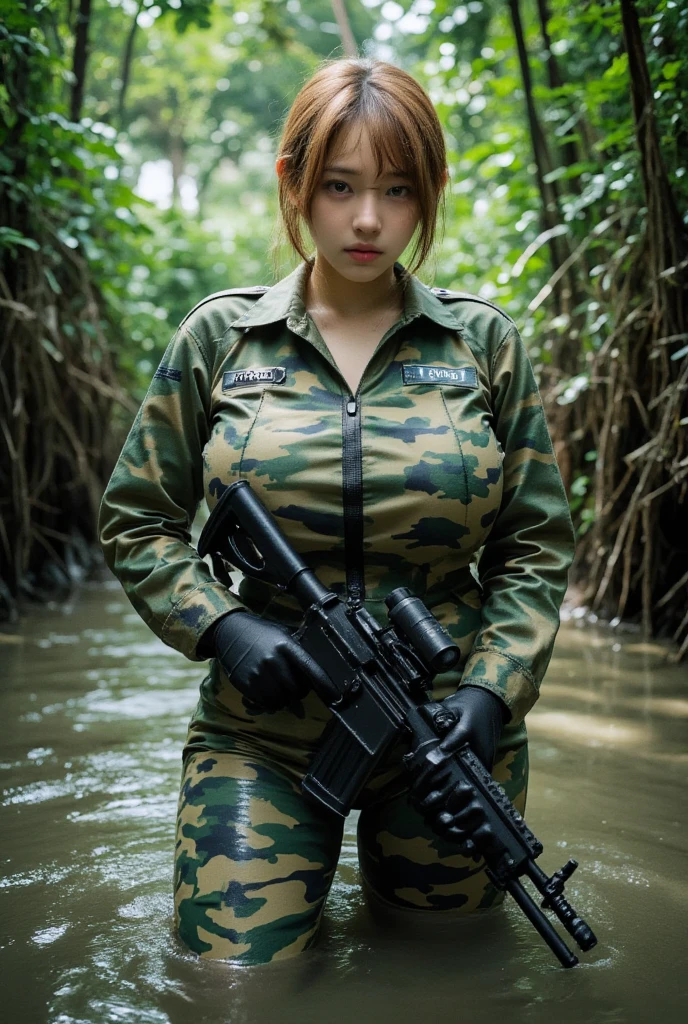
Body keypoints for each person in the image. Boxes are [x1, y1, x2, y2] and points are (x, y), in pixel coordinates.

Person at [98, 57, 575, 965]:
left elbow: (536, 549)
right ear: (294, 183)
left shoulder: (482, 345)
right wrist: (223, 627)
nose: (367, 219)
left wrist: (490, 690)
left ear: (431, 189)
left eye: (397, 189)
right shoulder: (221, 340)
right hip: (259, 736)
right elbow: (137, 519)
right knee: (233, 980)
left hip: (447, 737)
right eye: (340, 186)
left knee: (454, 974)